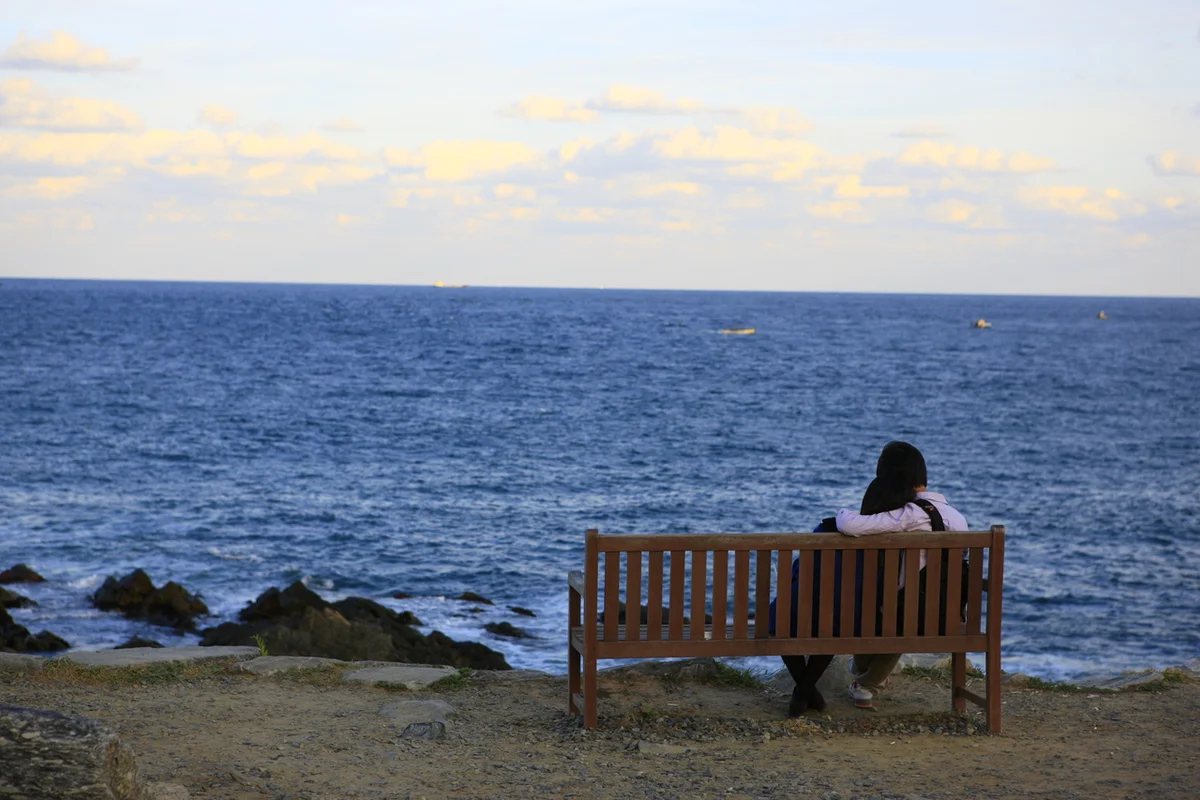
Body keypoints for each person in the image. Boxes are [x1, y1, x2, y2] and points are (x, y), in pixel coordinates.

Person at [772, 471, 918, 717]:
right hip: (846, 622)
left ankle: (804, 690)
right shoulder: (889, 545)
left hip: (795, 615)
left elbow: (800, 570)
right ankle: (805, 690)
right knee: (834, 622)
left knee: (784, 618)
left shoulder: (825, 528)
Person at [836, 441, 968, 709]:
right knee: (899, 608)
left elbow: (849, 524)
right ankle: (867, 680)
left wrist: (842, 511)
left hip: (907, 615)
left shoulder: (909, 515)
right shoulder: (957, 517)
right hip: (949, 614)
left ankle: (866, 684)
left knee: (884, 607)